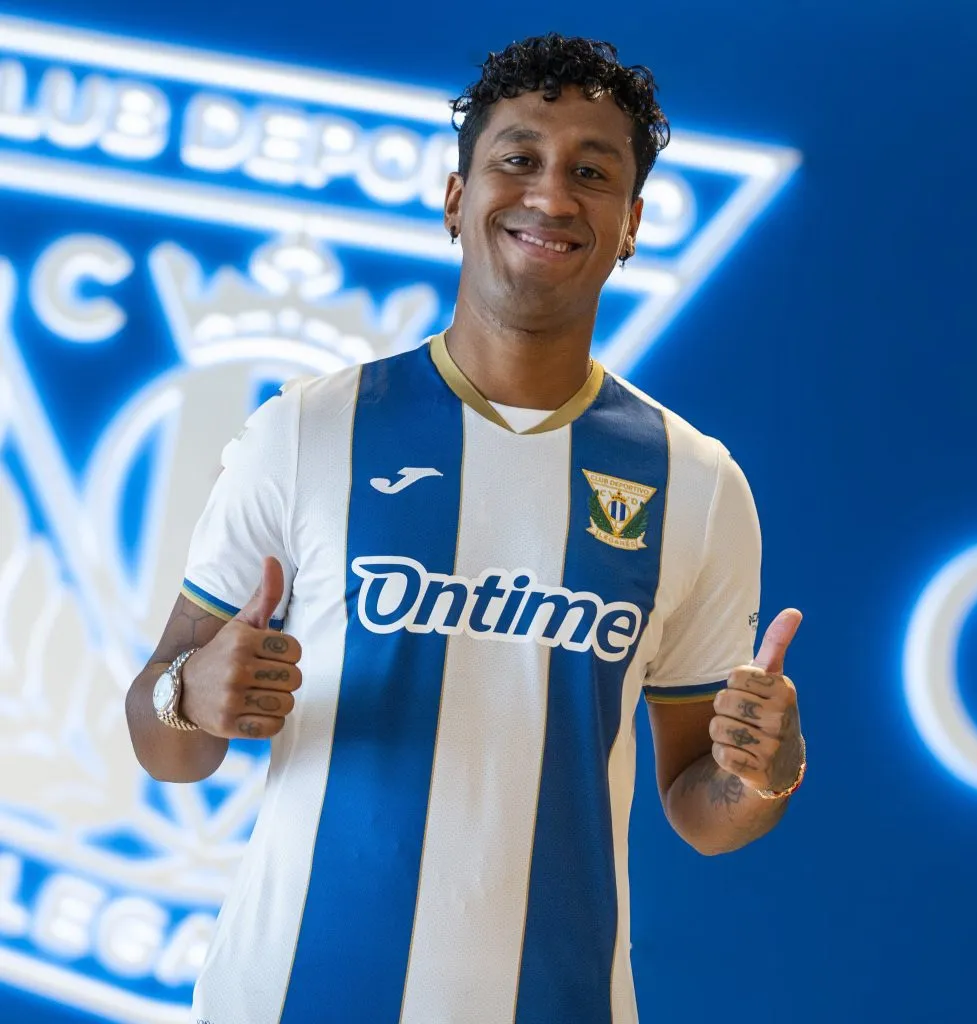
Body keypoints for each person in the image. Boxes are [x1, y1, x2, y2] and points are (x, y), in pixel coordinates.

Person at [125, 32, 806, 1024]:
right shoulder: (307, 431)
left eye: (591, 171)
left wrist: (766, 772)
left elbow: (704, 808)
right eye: (518, 159)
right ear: (456, 200)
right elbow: (161, 739)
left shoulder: (694, 482)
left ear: (630, 225)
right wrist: (192, 691)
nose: (551, 195)